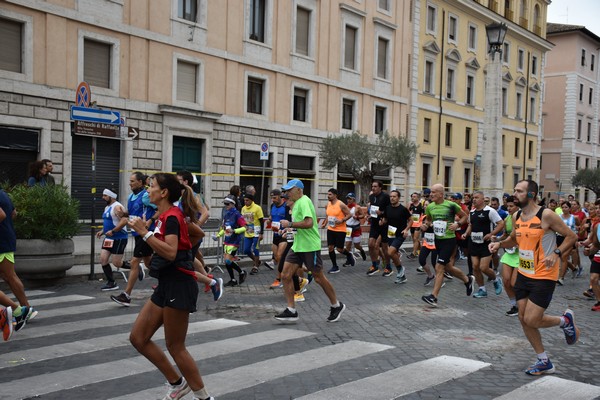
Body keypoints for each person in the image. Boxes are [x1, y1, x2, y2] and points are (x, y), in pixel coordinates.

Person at [127, 173, 213, 400]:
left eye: (151, 186)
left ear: (163, 193)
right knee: (138, 338)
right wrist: (187, 250)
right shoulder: (165, 217)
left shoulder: (173, 217)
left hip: (178, 286)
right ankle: (177, 383)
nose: (147, 190)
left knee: (175, 346)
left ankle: (204, 397)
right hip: (165, 284)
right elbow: (195, 235)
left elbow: (171, 251)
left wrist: (145, 234)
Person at [489, 179, 579, 376]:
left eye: (519, 191)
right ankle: (543, 360)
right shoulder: (516, 216)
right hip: (524, 272)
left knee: (532, 318)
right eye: (514, 190)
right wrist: (499, 244)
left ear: (532, 194)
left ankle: (565, 321)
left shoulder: (545, 215)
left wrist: (555, 253)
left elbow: (572, 236)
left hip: (544, 275)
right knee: (523, 318)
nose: (515, 194)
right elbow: (514, 239)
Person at [274, 179, 345, 323]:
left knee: (319, 278)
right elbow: (300, 225)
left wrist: (290, 223)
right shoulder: (296, 203)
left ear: (299, 190)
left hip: (310, 247)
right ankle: (291, 310)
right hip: (298, 245)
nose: (287, 194)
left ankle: (336, 305)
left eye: (289, 190)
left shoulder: (304, 201)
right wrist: (290, 229)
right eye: (286, 191)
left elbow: (309, 223)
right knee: (286, 275)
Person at [421, 184, 474, 307]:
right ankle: (468, 280)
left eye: (434, 192)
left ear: (441, 194)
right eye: (431, 192)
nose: (431, 194)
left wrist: (458, 224)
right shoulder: (430, 207)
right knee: (449, 267)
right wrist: (425, 225)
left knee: (439, 267)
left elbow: (465, 216)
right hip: (437, 240)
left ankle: (433, 297)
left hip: (449, 240)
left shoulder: (451, 205)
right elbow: (428, 220)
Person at [110, 173, 157, 306]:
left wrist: (150, 220)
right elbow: (130, 214)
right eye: (130, 181)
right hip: (137, 234)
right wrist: (122, 214)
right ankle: (170, 279)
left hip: (146, 233)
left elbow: (160, 209)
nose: (130, 183)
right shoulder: (131, 197)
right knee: (149, 263)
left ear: (141, 182)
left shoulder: (146, 196)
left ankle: (126, 295)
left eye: (132, 181)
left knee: (135, 261)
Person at [0, 188, 37, 325]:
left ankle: (23, 311)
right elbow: (13, 213)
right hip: (7, 238)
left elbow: (1, 215)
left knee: (10, 276)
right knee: (9, 276)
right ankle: (25, 309)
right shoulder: (3, 193)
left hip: (2, 241)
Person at [463, 191, 504, 299]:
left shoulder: (490, 211)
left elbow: (501, 224)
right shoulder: (472, 212)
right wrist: (466, 233)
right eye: (473, 198)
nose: (474, 200)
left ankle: (496, 280)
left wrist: (491, 234)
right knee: (475, 267)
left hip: (486, 244)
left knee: (484, 268)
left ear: (482, 199)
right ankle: (482, 289)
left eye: (477, 198)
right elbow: (470, 225)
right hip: (474, 242)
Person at [96, 189, 128, 291]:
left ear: (112, 196)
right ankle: (111, 283)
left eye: (105, 195)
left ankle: (136, 266)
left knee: (116, 263)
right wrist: (102, 230)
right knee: (103, 260)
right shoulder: (107, 207)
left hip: (119, 238)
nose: (103, 197)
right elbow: (109, 221)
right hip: (109, 238)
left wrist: (113, 231)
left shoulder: (117, 207)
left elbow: (124, 221)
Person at [495, 196, 521, 316]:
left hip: (520, 254)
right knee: (506, 281)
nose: (509, 208)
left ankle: (522, 303)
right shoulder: (507, 219)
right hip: (509, 253)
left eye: (512, 206)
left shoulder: (522, 218)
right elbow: (506, 234)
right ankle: (514, 304)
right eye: (508, 206)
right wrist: (497, 239)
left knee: (514, 282)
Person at [381, 189, 412, 284]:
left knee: (390, 252)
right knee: (393, 254)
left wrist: (406, 229)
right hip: (390, 234)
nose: (392, 198)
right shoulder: (388, 208)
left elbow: (411, 220)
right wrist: (382, 222)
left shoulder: (403, 209)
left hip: (400, 234)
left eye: (394, 196)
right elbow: (385, 219)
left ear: (398, 198)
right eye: (391, 196)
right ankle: (401, 274)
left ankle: (400, 269)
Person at [216, 195, 247, 287]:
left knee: (228, 261)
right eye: (225, 204)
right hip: (227, 240)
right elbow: (224, 228)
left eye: (227, 203)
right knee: (227, 262)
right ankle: (233, 279)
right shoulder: (226, 214)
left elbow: (245, 228)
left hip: (234, 241)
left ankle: (241, 272)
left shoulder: (237, 214)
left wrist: (234, 231)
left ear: (233, 204)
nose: (226, 205)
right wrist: (218, 235)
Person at [322, 188, 352, 274]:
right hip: (331, 229)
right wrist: (325, 223)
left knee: (339, 249)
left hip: (340, 230)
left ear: (335, 195)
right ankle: (335, 266)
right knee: (330, 248)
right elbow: (328, 215)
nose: (328, 196)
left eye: (330, 194)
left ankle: (349, 254)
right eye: (328, 194)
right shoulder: (327, 204)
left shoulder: (341, 204)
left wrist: (342, 220)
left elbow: (349, 214)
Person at [366, 181, 391, 276]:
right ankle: (374, 265)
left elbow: (389, 209)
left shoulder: (385, 196)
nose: (373, 188)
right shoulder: (371, 197)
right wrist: (370, 216)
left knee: (384, 247)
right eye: (372, 186)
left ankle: (388, 267)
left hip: (384, 224)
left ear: (380, 187)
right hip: (375, 223)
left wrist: (383, 215)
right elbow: (373, 209)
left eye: (375, 186)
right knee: (370, 244)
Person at [267, 189, 289, 288]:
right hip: (275, 234)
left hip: (284, 235)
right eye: (272, 198)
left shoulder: (286, 206)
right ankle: (307, 270)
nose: (273, 200)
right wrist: (269, 220)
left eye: (275, 198)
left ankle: (279, 278)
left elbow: (290, 220)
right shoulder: (272, 206)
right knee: (276, 257)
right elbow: (272, 216)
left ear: (280, 196)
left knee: (280, 256)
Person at [556, 201, 580, 285]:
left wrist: (576, 238)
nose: (564, 209)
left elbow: (578, 226)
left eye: (566, 207)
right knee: (562, 257)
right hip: (559, 238)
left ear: (569, 208)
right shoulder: (558, 217)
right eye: (562, 207)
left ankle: (561, 278)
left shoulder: (574, 217)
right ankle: (574, 268)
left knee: (564, 256)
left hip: (570, 239)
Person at [241, 194, 264, 274]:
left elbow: (261, 221)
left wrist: (261, 233)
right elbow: (243, 220)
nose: (245, 202)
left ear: (251, 200)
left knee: (255, 249)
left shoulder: (257, 208)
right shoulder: (243, 208)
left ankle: (255, 266)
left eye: (247, 200)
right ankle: (257, 261)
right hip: (248, 232)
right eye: (244, 200)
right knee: (246, 250)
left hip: (256, 232)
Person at [343, 193, 367, 265]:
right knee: (347, 246)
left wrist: (357, 217)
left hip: (356, 228)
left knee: (357, 245)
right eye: (347, 198)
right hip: (348, 228)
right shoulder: (345, 207)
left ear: (353, 199)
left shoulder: (357, 207)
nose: (348, 200)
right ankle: (348, 261)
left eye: (350, 198)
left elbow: (363, 215)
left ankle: (361, 250)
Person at [407, 192, 424, 259]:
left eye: (414, 196)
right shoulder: (410, 205)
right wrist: (409, 212)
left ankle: (413, 253)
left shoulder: (421, 205)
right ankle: (421, 251)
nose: (412, 198)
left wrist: (422, 223)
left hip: (418, 224)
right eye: (412, 196)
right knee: (415, 240)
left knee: (415, 238)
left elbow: (423, 215)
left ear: (418, 198)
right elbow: (407, 213)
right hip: (412, 224)